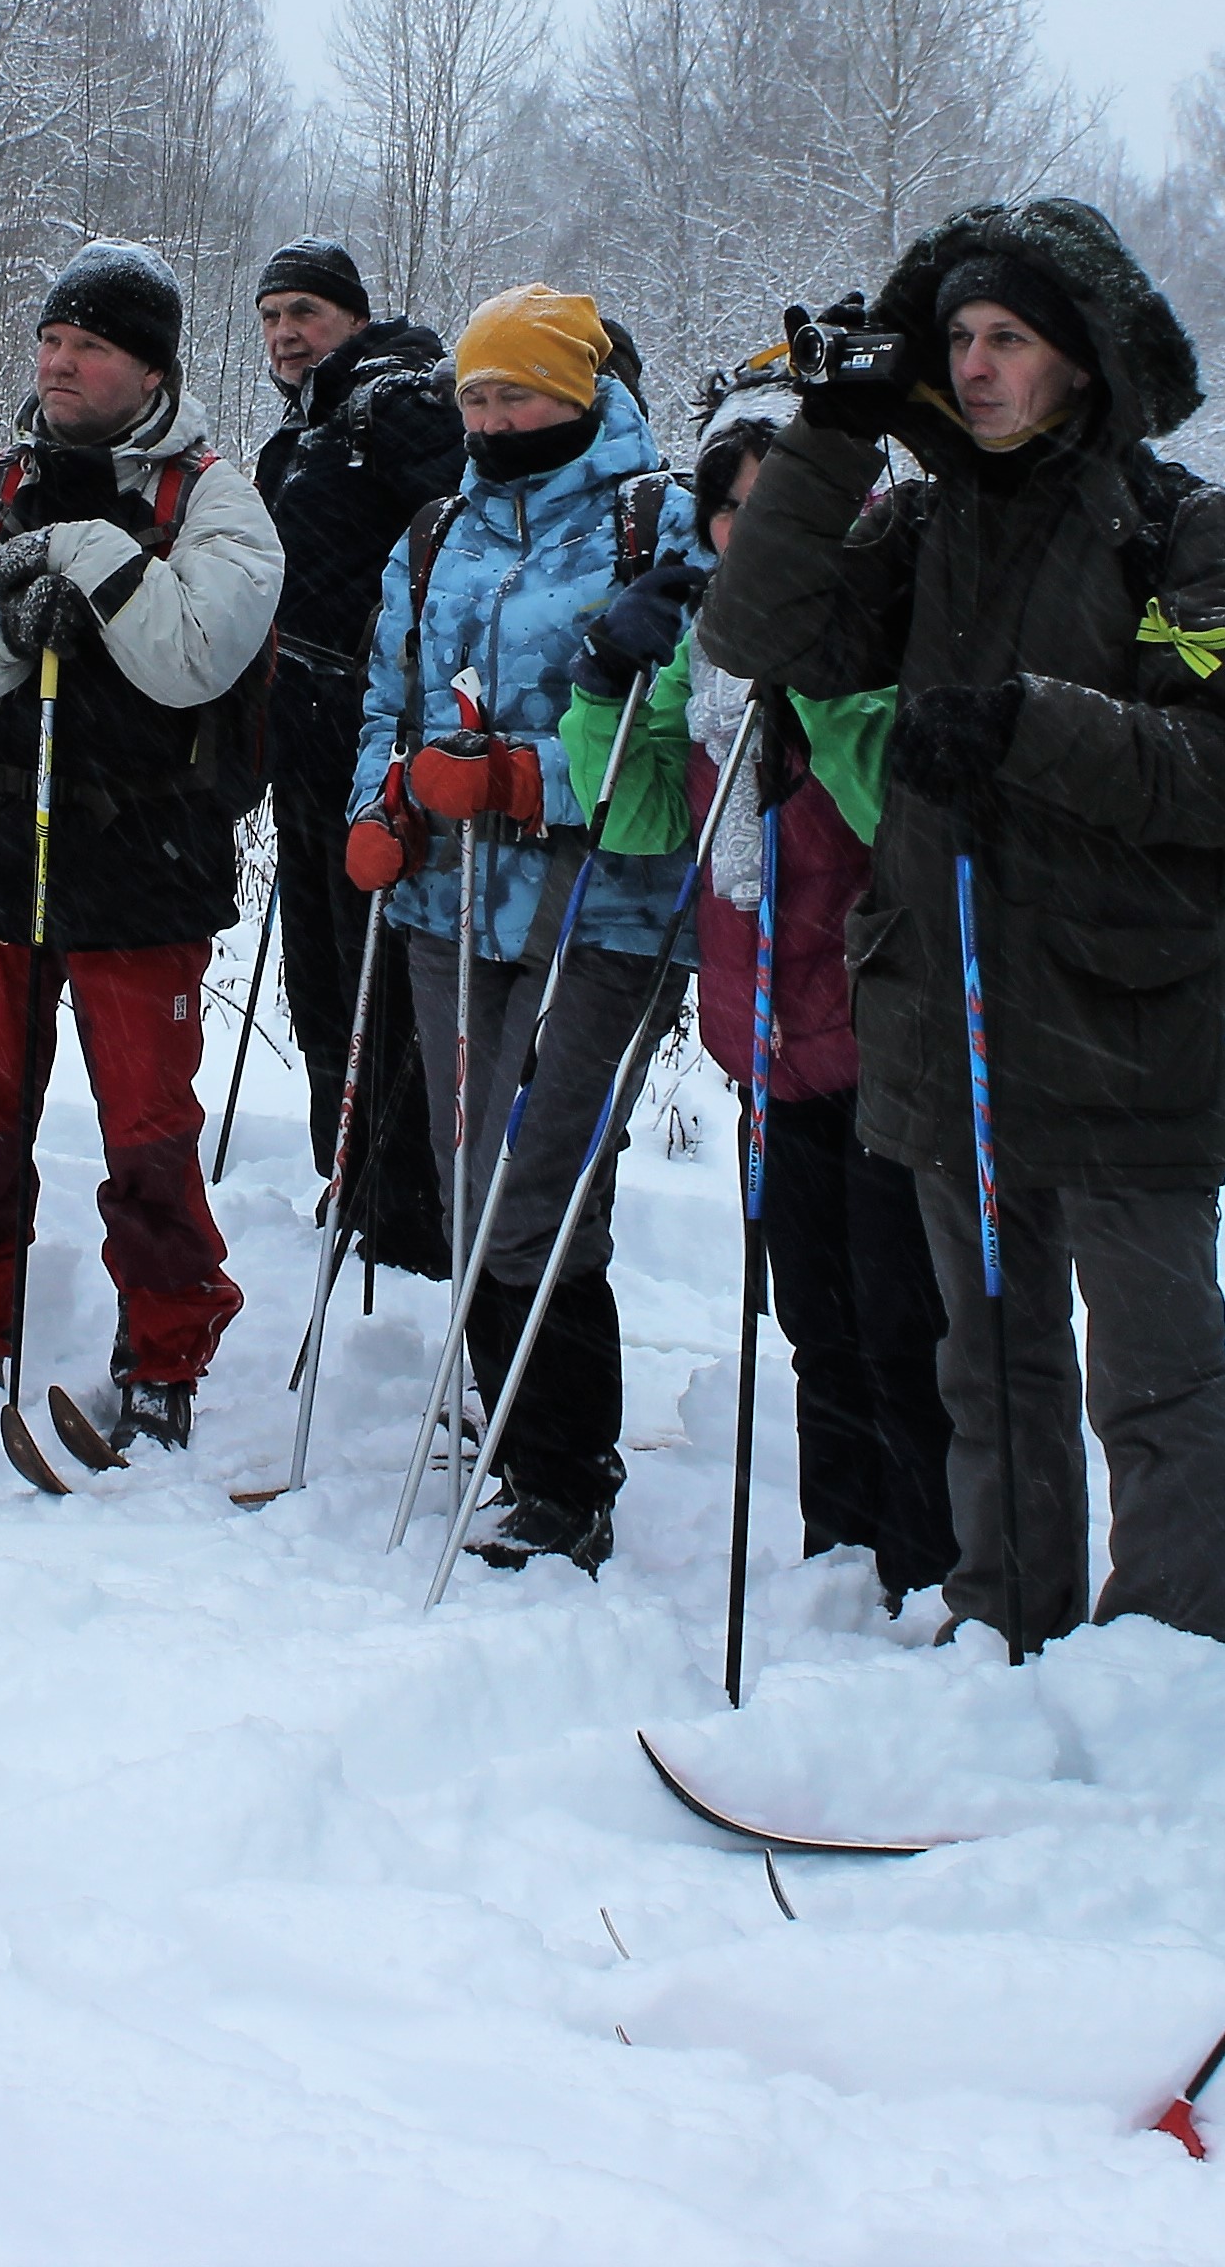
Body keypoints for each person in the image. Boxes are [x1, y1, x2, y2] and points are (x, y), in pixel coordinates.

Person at [700, 199, 1225, 1654]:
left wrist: (1029, 728)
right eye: (955, 339)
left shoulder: (1188, 531)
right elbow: (752, 633)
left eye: (1008, 338)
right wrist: (838, 425)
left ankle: (1172, 1657)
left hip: (1121, 1015)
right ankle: (1005, 1624)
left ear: (1081, 359)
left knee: (1149, 1374)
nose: (973, 367)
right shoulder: (915, 528)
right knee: (990, 1368)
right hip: (942, 1005)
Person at [0, 241, 279, 1445]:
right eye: (50, 341)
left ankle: (166, 1348)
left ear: (149, 368)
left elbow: (197, 650)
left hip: (141, 857)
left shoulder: (211, 496)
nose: (58, 361)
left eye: (88, 345)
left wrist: (82, 556)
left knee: (150, 1128)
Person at [334, 284, 686, 1574]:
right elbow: (389, 693)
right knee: (469, 1165)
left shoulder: (662, 522)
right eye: (476, 396)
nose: (493, 416)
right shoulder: (436, 533)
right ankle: (517, 1426)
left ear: (581, 393)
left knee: (539, 1182)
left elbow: (684, 731)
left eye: (519, 392)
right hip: (449, 895)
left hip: (611, 908)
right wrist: (383, 803)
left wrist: (532, 777)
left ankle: (560, 1470)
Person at [573, 379, 943, 1599]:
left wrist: (817, 684)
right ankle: (842, 1551)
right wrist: (601, 682)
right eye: (727, 507)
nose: (747, 531)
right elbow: (628, 811)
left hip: (888, 1043)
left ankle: (932, 1564)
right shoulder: (710, 662)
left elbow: (905, 811)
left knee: (904, 1327)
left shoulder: (889, 632)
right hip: (771, 1049)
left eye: (773, 504)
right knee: (817, 1325)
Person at [249, 237, 462, 1275]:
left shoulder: (400, 402)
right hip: (302, 745)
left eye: (306, 313)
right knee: (322, 980)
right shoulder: (300, 436)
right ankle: (353, 1179)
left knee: (376, 983)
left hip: (376, 746)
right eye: (272, 317)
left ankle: (406, 1214)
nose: (287, 334)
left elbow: (462, 535)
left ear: (353, 316)